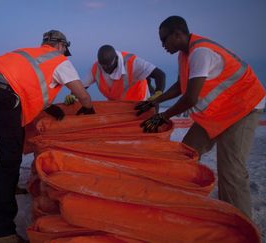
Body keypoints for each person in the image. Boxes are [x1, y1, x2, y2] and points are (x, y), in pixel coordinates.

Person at [136, 15, 265, 218]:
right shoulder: (184, 54)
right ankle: (182, 200)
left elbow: (190, 99)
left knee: (231, 171)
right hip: (218, 112)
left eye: (164, 40)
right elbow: (181, 85)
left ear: (178, 34)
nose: (162, 45)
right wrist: (154, 101)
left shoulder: (200, 53)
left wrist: (163, 116)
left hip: (242, 108)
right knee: (186, 154)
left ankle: (239, 223)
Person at [0, 30, 95, 243]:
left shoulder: (30, 55)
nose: (65, 53)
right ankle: (1, 231)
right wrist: (88, 109)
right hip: (2, 94)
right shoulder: (58, 60)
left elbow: (29, 86)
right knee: (8, 158)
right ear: (61, 46)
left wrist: (47, 108)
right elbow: (81, 93)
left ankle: (10, 187)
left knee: (14, 140)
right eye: (66, 49)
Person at [64, 44, 166, 106]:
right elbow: (82, 86)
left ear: (116, 59)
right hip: (117, 107)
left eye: (109, 66)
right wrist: (73, 95)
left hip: (139, 103)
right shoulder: (96, 68)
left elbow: (160, 75)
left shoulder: (133, 62)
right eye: (103, 66)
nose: (106, 69)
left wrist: (158, 93)